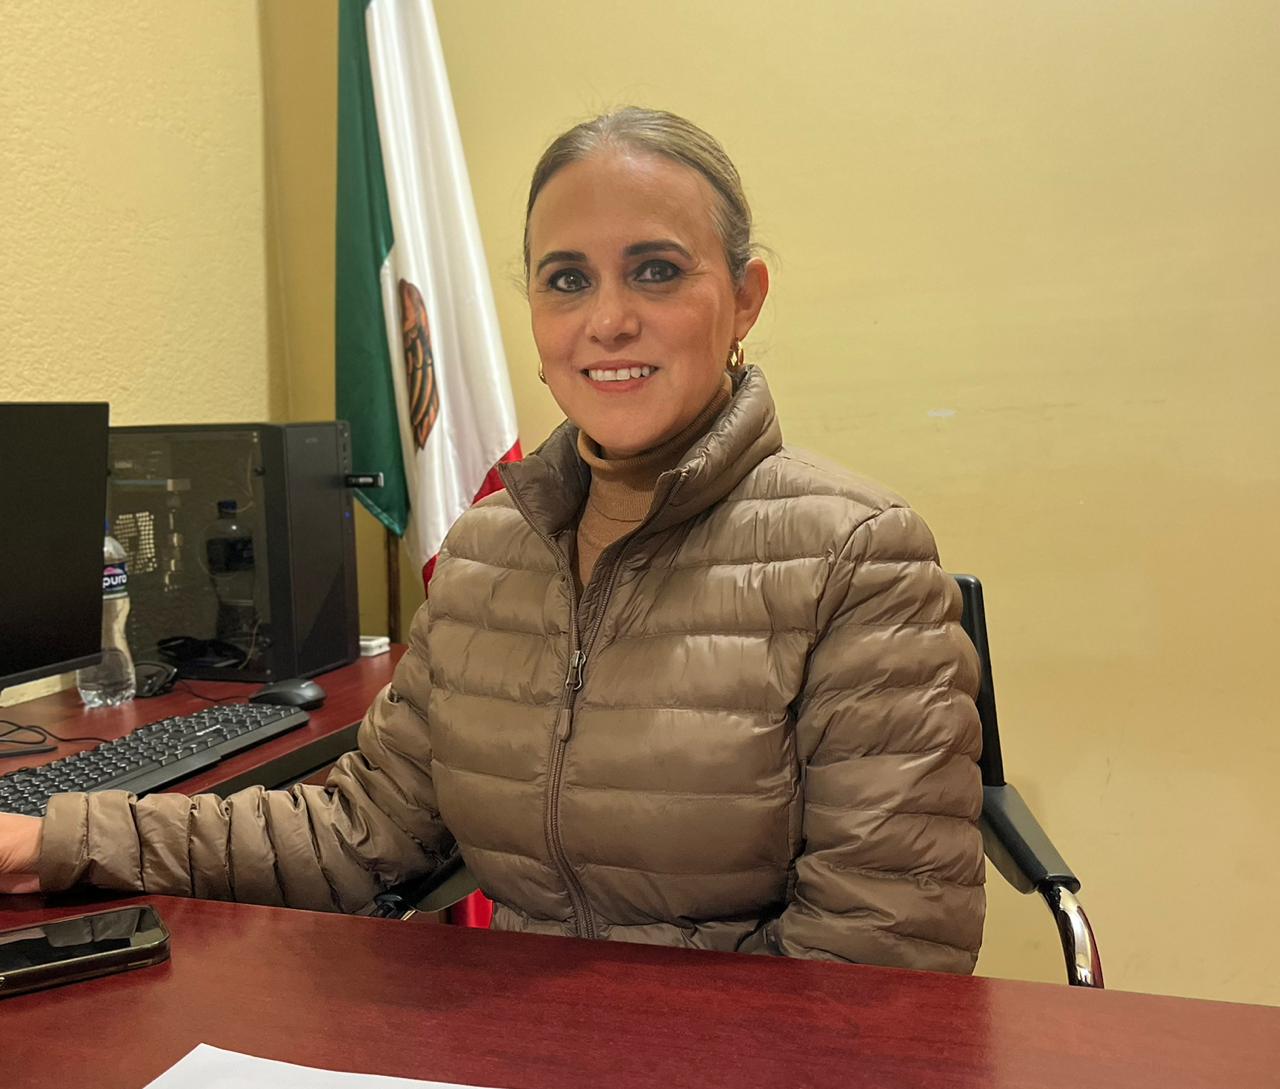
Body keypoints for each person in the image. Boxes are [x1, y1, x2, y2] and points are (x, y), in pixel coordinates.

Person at [0, 108, 985, 973]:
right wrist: (53, 839)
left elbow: (879, 954)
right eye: (567, 280)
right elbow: (355, 836)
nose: (607, 319)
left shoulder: (859, 558)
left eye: (655, 271)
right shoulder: (486, 552)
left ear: (744, 298)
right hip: (506, 1039)